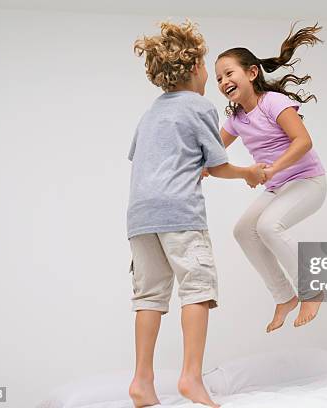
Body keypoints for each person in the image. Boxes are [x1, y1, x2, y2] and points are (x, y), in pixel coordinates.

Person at [127, 20, 265, 408]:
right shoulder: (200, 106)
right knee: (198, 291)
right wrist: (249, 172)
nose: (211, 74)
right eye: (206, 65)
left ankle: (141, 381)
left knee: (149, 296)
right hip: (179, 215)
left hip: (140, 219)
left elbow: (140, 158)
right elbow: (217, 165)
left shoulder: (150, 113)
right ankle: (190, 377)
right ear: (191, 69)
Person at [214, 23, 327, 333]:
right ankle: (284, 296)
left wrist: (272, 169)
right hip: (278, 187)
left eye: (229, 73)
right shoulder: (236, 119)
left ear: (252, 73)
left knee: (267, 226)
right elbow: (213, 153)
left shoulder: (273, 103)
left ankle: (313, 289)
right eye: (219, 78)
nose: (224, 81)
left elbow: (303, 141)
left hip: (307, 181)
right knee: (243, 231)